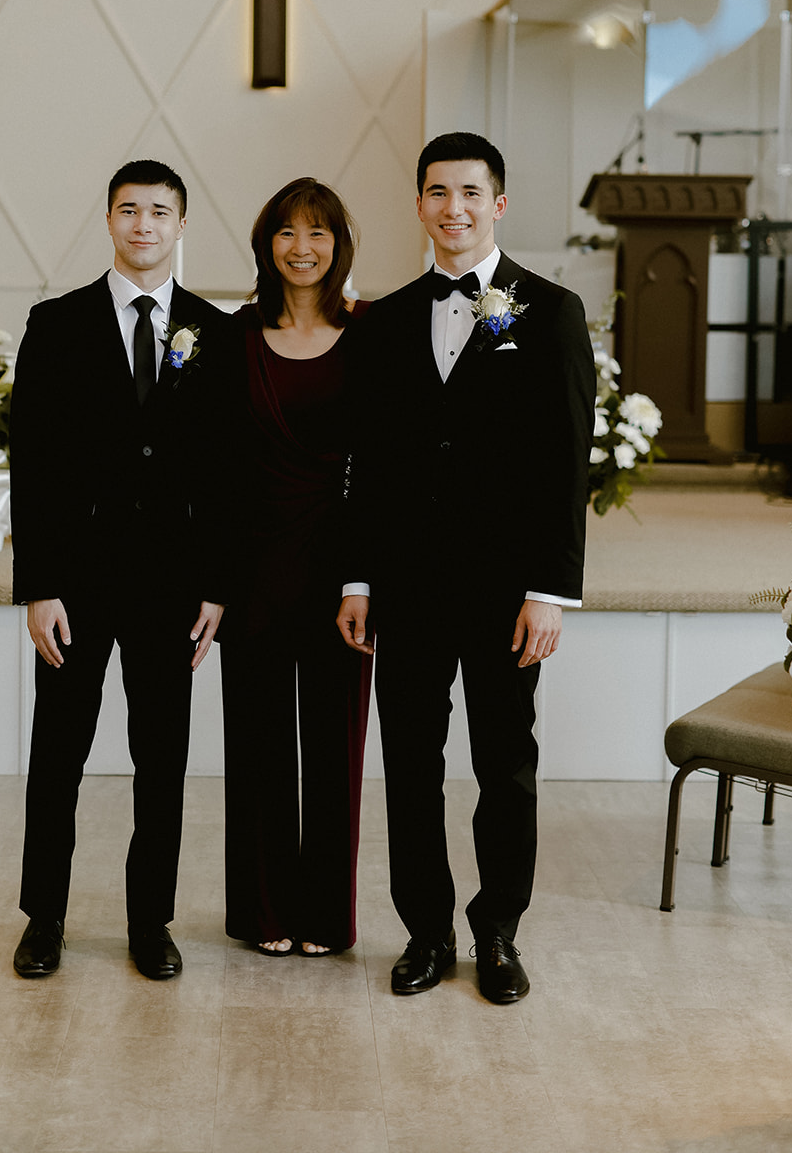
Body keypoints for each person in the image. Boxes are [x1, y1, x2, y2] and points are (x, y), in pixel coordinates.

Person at [336, 131, 594, 1003]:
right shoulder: (384, 321)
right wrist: (359, 579)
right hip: (405, 587)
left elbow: (566, 464)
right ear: (419, 204)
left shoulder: (549, 311)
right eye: (438, 193)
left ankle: (497, 931)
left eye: (471, 194)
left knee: (503, 766)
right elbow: (365, 465)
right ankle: (425, 932)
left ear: (499, 204)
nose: (454, 209)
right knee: (410, 763)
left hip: (503, 591)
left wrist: (549, 590)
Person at [9, 158, 233, 981]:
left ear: (180, 225)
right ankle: (44, 918)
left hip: (172, 585)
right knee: (58, 752)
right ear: (108, 221)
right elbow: (30, 462)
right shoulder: (56, 323)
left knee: (163, 757)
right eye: (129, 210)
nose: (144, 225)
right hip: (77, 578)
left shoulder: (215, 330)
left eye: (160, 211)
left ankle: (151, 922)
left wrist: (217, 585)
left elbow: (224, 472)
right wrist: (37, 586)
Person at [221, 178, 372, 957]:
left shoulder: (371, 332)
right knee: (256, 741)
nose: (302, 247)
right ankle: (265, 911)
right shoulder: (234, 336)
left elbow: (384, 465)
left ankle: (326, 915)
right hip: (253, 561)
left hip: (342, 566)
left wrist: (364, 579)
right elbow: (214, 467)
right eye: (286, 231)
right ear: (266, 243)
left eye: (317, 232)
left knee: (335, 741)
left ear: (339, 243)